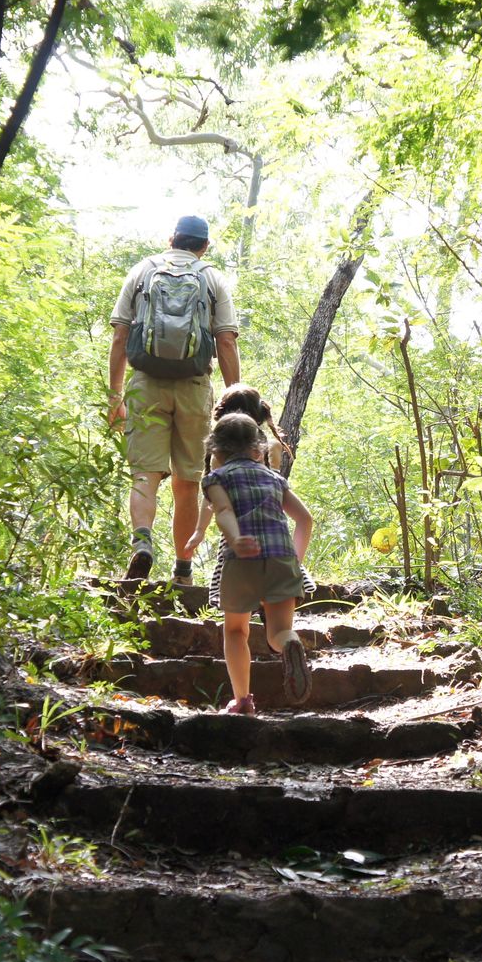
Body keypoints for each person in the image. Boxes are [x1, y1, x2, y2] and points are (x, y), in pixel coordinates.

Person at [108, 215, 240, 584]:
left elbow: (120, 336)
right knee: (187, 481)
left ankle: (142, 545)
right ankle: (183, 572)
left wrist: (115, 395)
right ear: (204, 246)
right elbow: (226, 341)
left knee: (144, 474)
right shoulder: (212, 278)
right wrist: (234, 398)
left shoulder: (142, 271)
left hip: (145, 384)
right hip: (194, 388)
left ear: (171, 239)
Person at [199, 412, 314, 714]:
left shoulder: (216, 478)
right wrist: (294, 563)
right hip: (281, 560)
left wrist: (236, 538)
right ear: (258, 448)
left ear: (216, 452)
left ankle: (242, 701)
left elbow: (223, 509)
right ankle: (291, 643)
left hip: (242, 560)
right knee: (277, 632)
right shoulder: (276, 478)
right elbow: (304, 519)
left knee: (236, 631)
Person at [187, 383, 317, 608]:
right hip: (276, 538)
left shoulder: (221, 456)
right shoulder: (271, 446)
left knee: (237, 620)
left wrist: (199, 531)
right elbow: (297, 511)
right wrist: (294, 561)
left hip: (238, 537)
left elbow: (217, 503)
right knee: (278, 611)